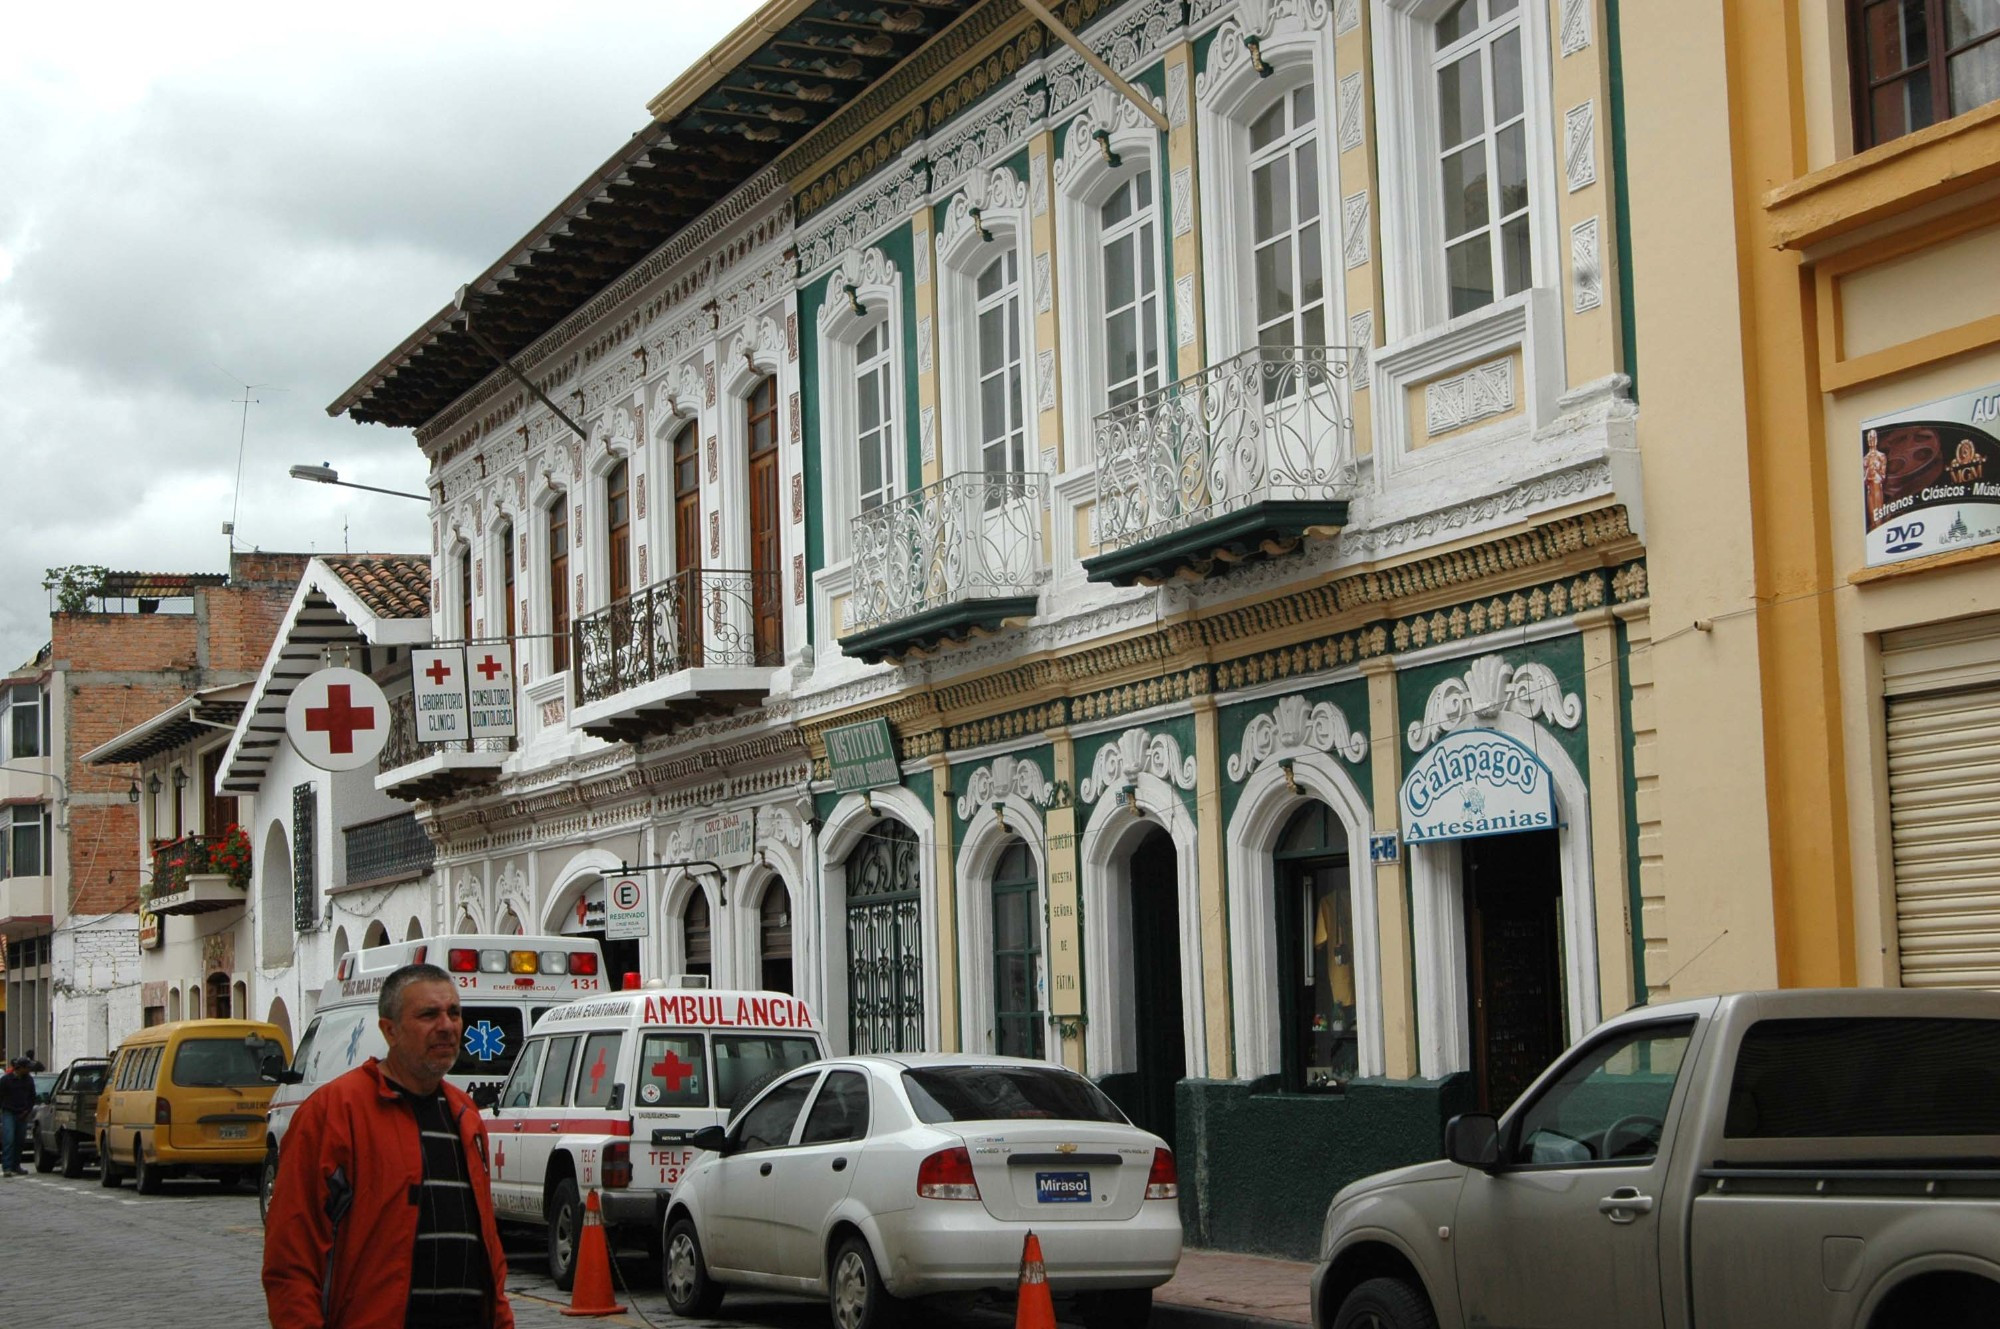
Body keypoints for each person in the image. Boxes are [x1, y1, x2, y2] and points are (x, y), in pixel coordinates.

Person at [262, 964, 514, 1329]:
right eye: (429, 1014)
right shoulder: (333, 1113)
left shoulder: (464, 1116)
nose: (447, 1026)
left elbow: (487, 1249)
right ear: (389, 1030)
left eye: (454, 1013)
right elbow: (290, 1259)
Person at [0, 1057, 35, 1176]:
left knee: (20, 1141)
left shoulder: (29, 1080)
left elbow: (32, 1097)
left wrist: (27, 1111)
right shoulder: (6, 1080)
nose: (29, 1070)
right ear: (20, 1068)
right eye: (27, 1068)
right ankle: (7, 1167)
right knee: (8, 1139)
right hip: (8, 1112)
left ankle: (16, 1166)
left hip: (23, 1113)